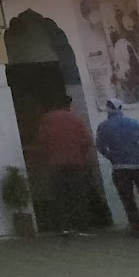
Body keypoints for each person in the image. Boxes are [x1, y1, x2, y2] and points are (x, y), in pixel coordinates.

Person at [95, 99, 139, 233]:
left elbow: (100, 146)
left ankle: (136, 226)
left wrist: (112, 157)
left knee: (127, 198)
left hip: (120, 167)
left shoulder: (103, 126)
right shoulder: (132, 122)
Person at [37, 96, 97, 234]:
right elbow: (87, 141)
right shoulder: (76, 119)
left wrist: (49, 155)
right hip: (76, 163)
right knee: (78, 194)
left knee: (60, 195)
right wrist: (82, 157)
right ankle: (82, 226)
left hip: (56, 164)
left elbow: (42, 141)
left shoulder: (47, 119)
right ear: (68, 105)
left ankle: (65, 226)